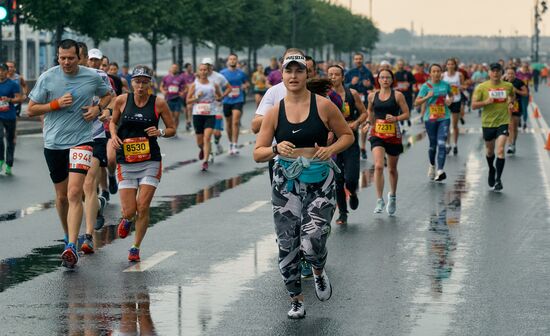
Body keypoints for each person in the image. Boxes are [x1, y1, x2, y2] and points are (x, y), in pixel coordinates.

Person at [253, 53, 354, 319]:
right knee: (288, 243)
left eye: (299, 71)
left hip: (320, 180)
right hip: (285, 183)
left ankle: (319, 270)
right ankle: (296, 299)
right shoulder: (275, 112)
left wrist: (330, 149)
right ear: (282, 76)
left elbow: (347, 136)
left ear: (306, 75)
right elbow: (258, 152)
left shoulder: (324, 106)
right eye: (289, 71)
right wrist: (275, 148)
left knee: (312, 241)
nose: (294, 76)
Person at [27, 39, 112, 268]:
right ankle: (67, 235)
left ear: (79, 57)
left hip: (82, 141)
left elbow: (107, 94)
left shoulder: (92, 77)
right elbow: (31, 109)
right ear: (58, 57)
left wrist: (98, 109)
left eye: (70, 58)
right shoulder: (48, 77)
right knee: (62, 196)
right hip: (54, 143)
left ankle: (72, 246)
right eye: (62, 58)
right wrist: (54, 104)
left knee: (76, 192)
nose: (66, 62)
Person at [110, 65, 176, 261]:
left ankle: (135, 247)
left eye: (144, 82)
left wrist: (161, 132)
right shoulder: (122, 100)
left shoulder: (159, 103)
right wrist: (113, 136)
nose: (140, 86)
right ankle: (127, 218)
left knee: (143, 205)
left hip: (150, 160)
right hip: (126, 161)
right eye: (137, 81)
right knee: (130, 210)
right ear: (131, 83)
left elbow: (172, 128)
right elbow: (113, 122)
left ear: (150, 83)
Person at [327, 64, 368, 224]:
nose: (333, 77)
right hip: (334, 142)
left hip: (350, 140)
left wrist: (357, 122)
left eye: (336, 74)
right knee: (337, 180)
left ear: (343, 77)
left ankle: (353, 192)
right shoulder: (325, 96)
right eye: (330, 74)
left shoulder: (352, 94)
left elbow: (364, 113)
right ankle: (343, 213)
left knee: (350, 178)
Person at [366, 69, 409, 215]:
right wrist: (368, 122)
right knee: (378, 166)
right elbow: (370, 111)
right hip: (377, 133)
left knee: (391, 169)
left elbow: (406, 113)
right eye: (382, 77)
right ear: (378, 80)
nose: (385, 80)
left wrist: (396, 118)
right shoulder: (372, 96)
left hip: (393, 135)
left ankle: (393, 196)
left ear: (392, 80)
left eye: (387, 77)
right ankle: (379, 200)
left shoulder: (398, 95)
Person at [471, 63, 515, 192]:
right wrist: (485, 102)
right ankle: (491, 168)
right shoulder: (481, 87)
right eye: (493, 71)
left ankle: (498, 180)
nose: (495, 73)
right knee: (490, 152)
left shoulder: (508, 86)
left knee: (500, 150)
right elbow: (473, 105)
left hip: (503, 121)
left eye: (498, 71)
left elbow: (512, 96)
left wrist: (511, 102)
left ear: (502, 73)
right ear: (489, 73)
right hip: (488, 123)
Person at [415, 64, 453, 182]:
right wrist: (427, 97)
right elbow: (416, 102)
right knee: (433, 145)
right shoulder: (426, 86)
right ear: (430, 73)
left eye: (438, 71)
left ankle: (440, 170)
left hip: (444, 117)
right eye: (434, 71)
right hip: (430, 119)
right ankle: (432, 166)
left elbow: (451, 95)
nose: (436, 73)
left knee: (442, 143)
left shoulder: (446, 85)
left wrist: (449, 101)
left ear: (441, 73)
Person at [187, 63, 222, 171]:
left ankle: (205, 161)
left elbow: (220, 97)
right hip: (197, 114)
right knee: (200, 141)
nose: (203, 72)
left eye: (205, 70)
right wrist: (197, 97)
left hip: (210, 114)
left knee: (207, 138)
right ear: (198, 71)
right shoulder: (194, 85)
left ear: (208, 71)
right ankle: (203, 149)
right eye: (201, 70)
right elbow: (188, 100)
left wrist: (217, 97)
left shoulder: (213, 84)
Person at [344, 53, 375, 160]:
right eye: (356, 59)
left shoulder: (368, 72)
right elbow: (343, 86)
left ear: (362, 59)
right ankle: (354, 144)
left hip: (365, 101)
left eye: (360, 59)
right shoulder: (349, 73)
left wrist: (369, 85)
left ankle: (362, 147)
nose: (358, 61)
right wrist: (351, 84)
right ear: (353, 60)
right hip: (352, 101)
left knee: (364, 124)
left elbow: (373, 86)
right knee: (353, 123)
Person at [221, 54, 249, 154]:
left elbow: (246, 83)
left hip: (238, 99)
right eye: (231, 59)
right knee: (228, 124)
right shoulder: (222, 73)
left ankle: (235, 144)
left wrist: (245, 86)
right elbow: (218, 85)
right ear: (228, 61)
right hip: (227, 100)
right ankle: (230, 143)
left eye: (234, 59)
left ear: (236, 61)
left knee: (235, 121)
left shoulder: (241, 73)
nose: (232, 61)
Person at [0, 63, 22, 175]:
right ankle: (0, 161)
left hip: (9, 115)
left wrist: (9, 99)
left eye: (2, 70)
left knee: (9, 140)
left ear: (6, 71)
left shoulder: (13, 84)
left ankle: (9, 164)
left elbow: (19, 98)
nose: (0, 72)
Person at [443, 58, 465, 156]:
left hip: (456, 100)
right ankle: (448, 144)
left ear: (455, 65)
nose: (450, 66)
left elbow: (463, 86)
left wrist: (460, 87)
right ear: (446, 65)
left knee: (454, 125)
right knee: (446, 124)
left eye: (452, 64)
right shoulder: (443, 75)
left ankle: (455, 144)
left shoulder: (459, 75)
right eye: (448, 64)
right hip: (447, 101)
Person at [504, 67, 528, 154]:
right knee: (509, 127)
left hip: (516, 106)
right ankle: (510, 145)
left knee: (514, 127)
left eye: (512, 73)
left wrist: (516, 90)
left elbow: (526, 93)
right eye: (508, 73)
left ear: (515, 74)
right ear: (506, 74)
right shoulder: (504, 82)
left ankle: (513, 143)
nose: (510, 75)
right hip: (506, 106)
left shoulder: (519, 82)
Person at [160, 64, 186, 135]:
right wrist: (163, 91)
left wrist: (183, 92)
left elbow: (186, 87)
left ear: (177, 69)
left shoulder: (181, 78)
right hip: (169, 99)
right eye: (173, 68)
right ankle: (172, 129)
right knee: (171, 116)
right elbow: (161, 86)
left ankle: (175, 130)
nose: (174, 69)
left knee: (176, 116)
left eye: (175, 68)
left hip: (177, 99)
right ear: (170, 69)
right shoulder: (166, 77)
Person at [394, 59, 415, 130]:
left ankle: (408, 118)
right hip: (399, 95)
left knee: (408, 107)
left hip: (407, 94)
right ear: (397, 65)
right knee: (400, 109)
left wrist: (409, 83)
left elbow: (413, 81)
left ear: (404, 65)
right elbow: (393, 84)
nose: (400, 66)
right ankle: (402, 123)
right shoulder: (395, 74)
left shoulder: (408, 73)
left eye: (402, 64)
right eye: (399, 65)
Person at [180, 63, 196, 131]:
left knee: (189, 107)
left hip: (191, 95)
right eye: (189, 67)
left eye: (191, 67)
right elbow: (179, 84)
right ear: (186, 68)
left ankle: (189, 121)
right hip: (184, 95)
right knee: (186, 110)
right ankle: (187, 121)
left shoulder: (193, 76)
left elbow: (196, 83)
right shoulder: (182, 76)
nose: (191, 68)